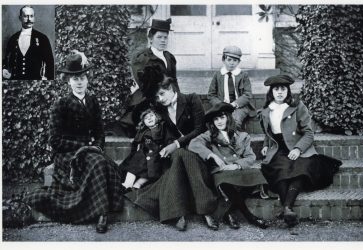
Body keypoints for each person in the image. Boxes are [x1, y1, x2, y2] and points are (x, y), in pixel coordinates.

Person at [24, 50, 124, 234]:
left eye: (82, 78)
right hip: (67, 155)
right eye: (75, 79)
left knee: (105, 164)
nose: (79, 82)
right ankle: (101, 214)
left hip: (89, 151)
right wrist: (84, 148)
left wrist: (97, 146)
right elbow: (55, 141)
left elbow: (99, 132)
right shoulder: (60, 104)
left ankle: (102, 209)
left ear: (87, 79)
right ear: (68, 81)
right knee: (99, 163)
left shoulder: (92, 101)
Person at [125, 71, 218, 231]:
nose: (160, 99)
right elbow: (142, 114)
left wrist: (176, 143)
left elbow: (199, 129)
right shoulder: (160, 110)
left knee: (181, 155)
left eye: (162, 94)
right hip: (175, 155)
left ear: (171, 87)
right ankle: (204, 210)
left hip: (197, 151)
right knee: (179, 157)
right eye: (157, 97)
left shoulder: (191, 99)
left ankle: (180, 212)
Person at [259, 75, 342, 227]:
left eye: (283, 89)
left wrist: (298, 149)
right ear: (271, 92)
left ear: (288, 91)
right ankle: (288, 209)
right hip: (278, 148)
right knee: (280, 171)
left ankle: (286, 208)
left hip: (298, 145)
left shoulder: (298, 106)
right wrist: (266, 144)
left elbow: (309, 133)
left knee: (302, 169)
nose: (279, 92)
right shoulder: (266, 110)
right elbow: (268, 133)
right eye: (276, 89)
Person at [189, 102, 268, 229]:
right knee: (225, 183)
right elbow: (193, 144)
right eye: (216, 119)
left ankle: (229, 212)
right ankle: (250, 217)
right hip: (222, 171)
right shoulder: (210, 135)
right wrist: (212, 155)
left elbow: (251, 157)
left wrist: (237, 165)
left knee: (256, 176)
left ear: (228, 118)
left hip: (237, 169)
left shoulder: (242, 136)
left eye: (222, 117)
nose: (219, 122)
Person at [118, 18, 179, 137]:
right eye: (159, 37)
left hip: (169, 97)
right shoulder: (142, 58)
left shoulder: (169, 57)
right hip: (148, 98)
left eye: (165, 37)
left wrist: (177, 98)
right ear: (150, 38)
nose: (163, 40)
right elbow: (145, 85)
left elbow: (174, 81)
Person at [119, 108, 176, 189]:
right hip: (143, 153)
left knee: (150, 171)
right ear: (143, 122)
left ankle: (138, 185)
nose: (149, 118)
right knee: (134, 165)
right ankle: (128, 183)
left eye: (151, 116)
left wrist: (168, 149)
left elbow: (169, 139)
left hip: (158, 153)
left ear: (157, 117)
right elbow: (136, 141)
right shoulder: (143, 131)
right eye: (146, 118)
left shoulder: (163, 127)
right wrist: (135, 149)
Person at [207, 45, 255, 130]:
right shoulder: (218, 75)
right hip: (222, 105)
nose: (232, 63)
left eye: (235, 60)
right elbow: (211, 95)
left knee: (235, 121)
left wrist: (235, 104)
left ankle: (234, 141)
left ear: (238, 62)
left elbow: (247, 94)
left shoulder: (243, 75)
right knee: (217, 121)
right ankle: (222, 141)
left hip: (239, 106)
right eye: (229, 60)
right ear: (223, 60)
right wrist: (221, 105)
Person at [2, 5, 54, 80]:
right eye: (26, 16)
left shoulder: (42, 38)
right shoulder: (13, 39)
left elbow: (50, 63)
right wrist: (3, 69)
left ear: (34, 18)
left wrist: (48, 79)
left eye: (31, 16)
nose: (29, 19)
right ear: (20, 18)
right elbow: (6, 59)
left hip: (36, 81)